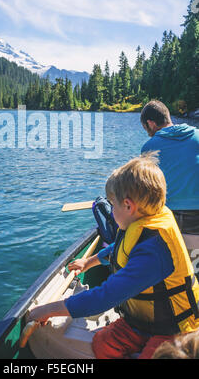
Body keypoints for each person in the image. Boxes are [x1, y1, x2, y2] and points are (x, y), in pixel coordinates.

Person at [28, 152, 199, 359]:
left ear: (128, 205)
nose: (111, 210)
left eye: (112, 204)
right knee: (102, 345)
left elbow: (107, 296)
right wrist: (87, 262)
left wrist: (47, 310)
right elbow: (117, 251)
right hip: (140, 322)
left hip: (174, 328)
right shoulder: (141, 220)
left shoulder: (155, 249)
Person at [140, 100, 199, 273]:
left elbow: (145, 190)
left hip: (170, 217)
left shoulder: (149, 148)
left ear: (151, 123)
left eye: (145, 128)